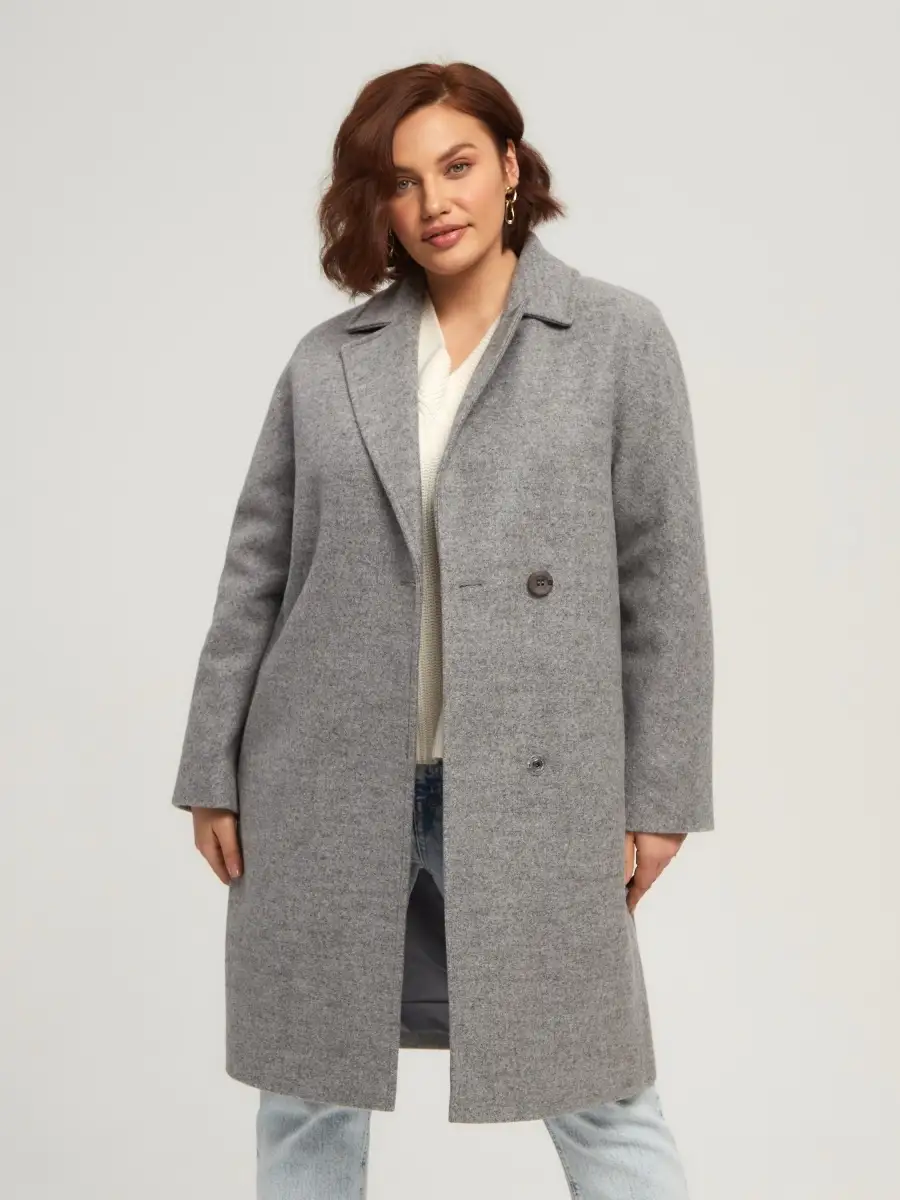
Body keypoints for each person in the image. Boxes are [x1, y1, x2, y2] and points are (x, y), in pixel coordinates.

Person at [172, 60, 714, 1200]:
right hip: (324, 780)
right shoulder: (330, 361)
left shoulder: (615, 338)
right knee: (306, 1094)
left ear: (511, 167)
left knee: (601, 1092)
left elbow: (664, 581)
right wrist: (212, 769)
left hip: (532, 784)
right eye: (401, 181)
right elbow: (254, 575)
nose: (434, 203)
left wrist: (661, 796)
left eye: (457, 165)